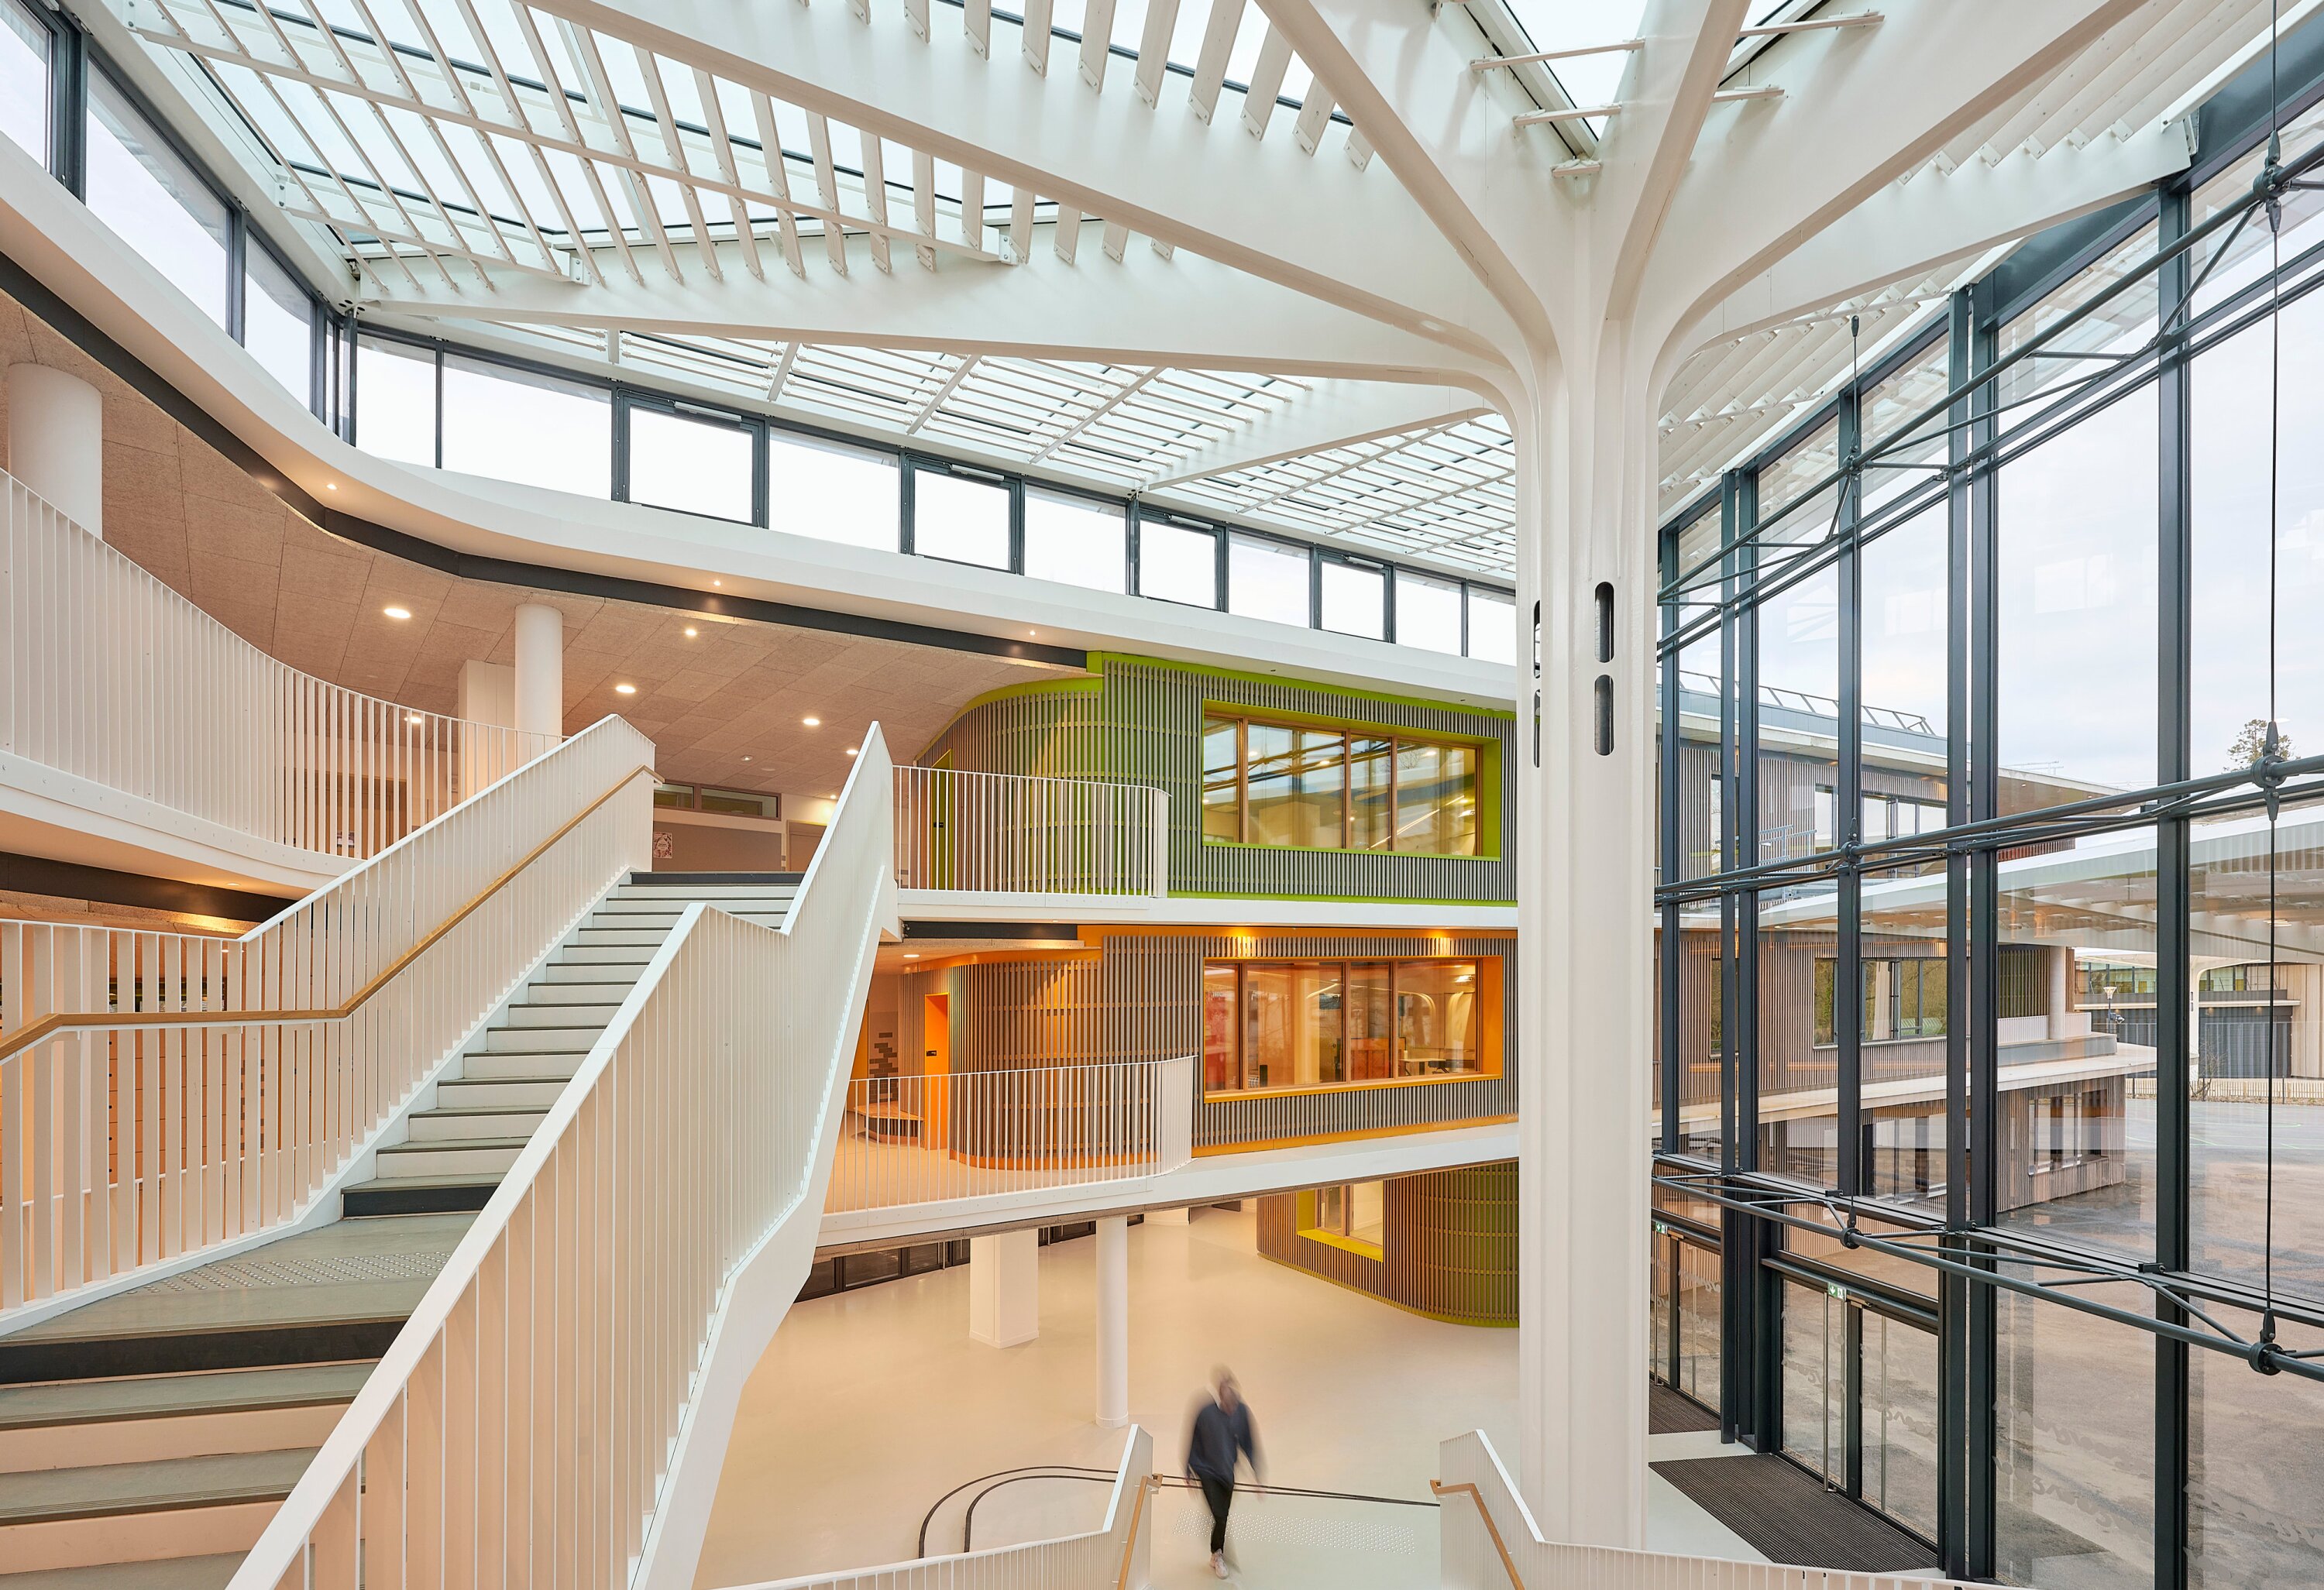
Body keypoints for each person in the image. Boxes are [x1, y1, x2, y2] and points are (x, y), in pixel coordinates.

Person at [1185, 1368, 1261, 1579]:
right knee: (1219, 1514)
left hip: (1227, 1472)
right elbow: (1192, 1439)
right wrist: (1188, 1471)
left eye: (1234, 1403)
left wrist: (1257, 1474)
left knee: (1223, 1516)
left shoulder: (1241, 1412)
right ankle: (1217, 1553)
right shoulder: (1205, 1412)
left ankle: (1216, 1551)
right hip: (1206, 1469)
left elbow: (1248, 1442)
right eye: (1227, 1403)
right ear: (1220, 1397)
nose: (1231, 1408)